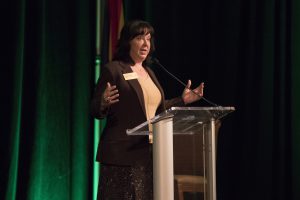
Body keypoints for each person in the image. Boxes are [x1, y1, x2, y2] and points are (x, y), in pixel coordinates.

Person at [90, 19, 204, 200]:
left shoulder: (150, 72)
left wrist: (182, 100)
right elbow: (94, 110)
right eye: (139, 38)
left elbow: (155, 111)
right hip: (120, 158)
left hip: (147, 156)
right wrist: (103, 102)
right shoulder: (113, 70)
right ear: (128, 41)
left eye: (149, 39)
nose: (145, 44)